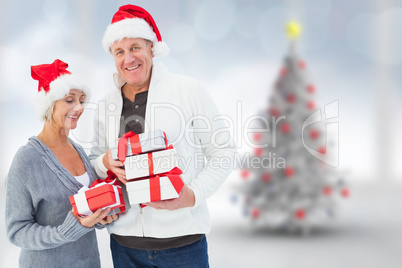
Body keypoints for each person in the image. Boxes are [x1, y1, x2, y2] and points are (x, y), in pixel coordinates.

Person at [89, 4, 236, 267]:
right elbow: (94, 162)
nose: (128, 59)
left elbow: (223, 151)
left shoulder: (188, 90)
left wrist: (193, 194)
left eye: (135, 47)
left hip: (183, 245)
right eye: (119, 51)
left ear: (151, 49)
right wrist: (104, 162)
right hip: (125, 247)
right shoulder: (105, 105)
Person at [5, 59, 117, 268]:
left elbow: (85, 211)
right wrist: (67, 230)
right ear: (49, 103)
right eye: (69, 100)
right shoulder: (27, 159)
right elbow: (17, 231)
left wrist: (100, 217)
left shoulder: (79, 150)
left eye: (82, 100)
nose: (78, 107)